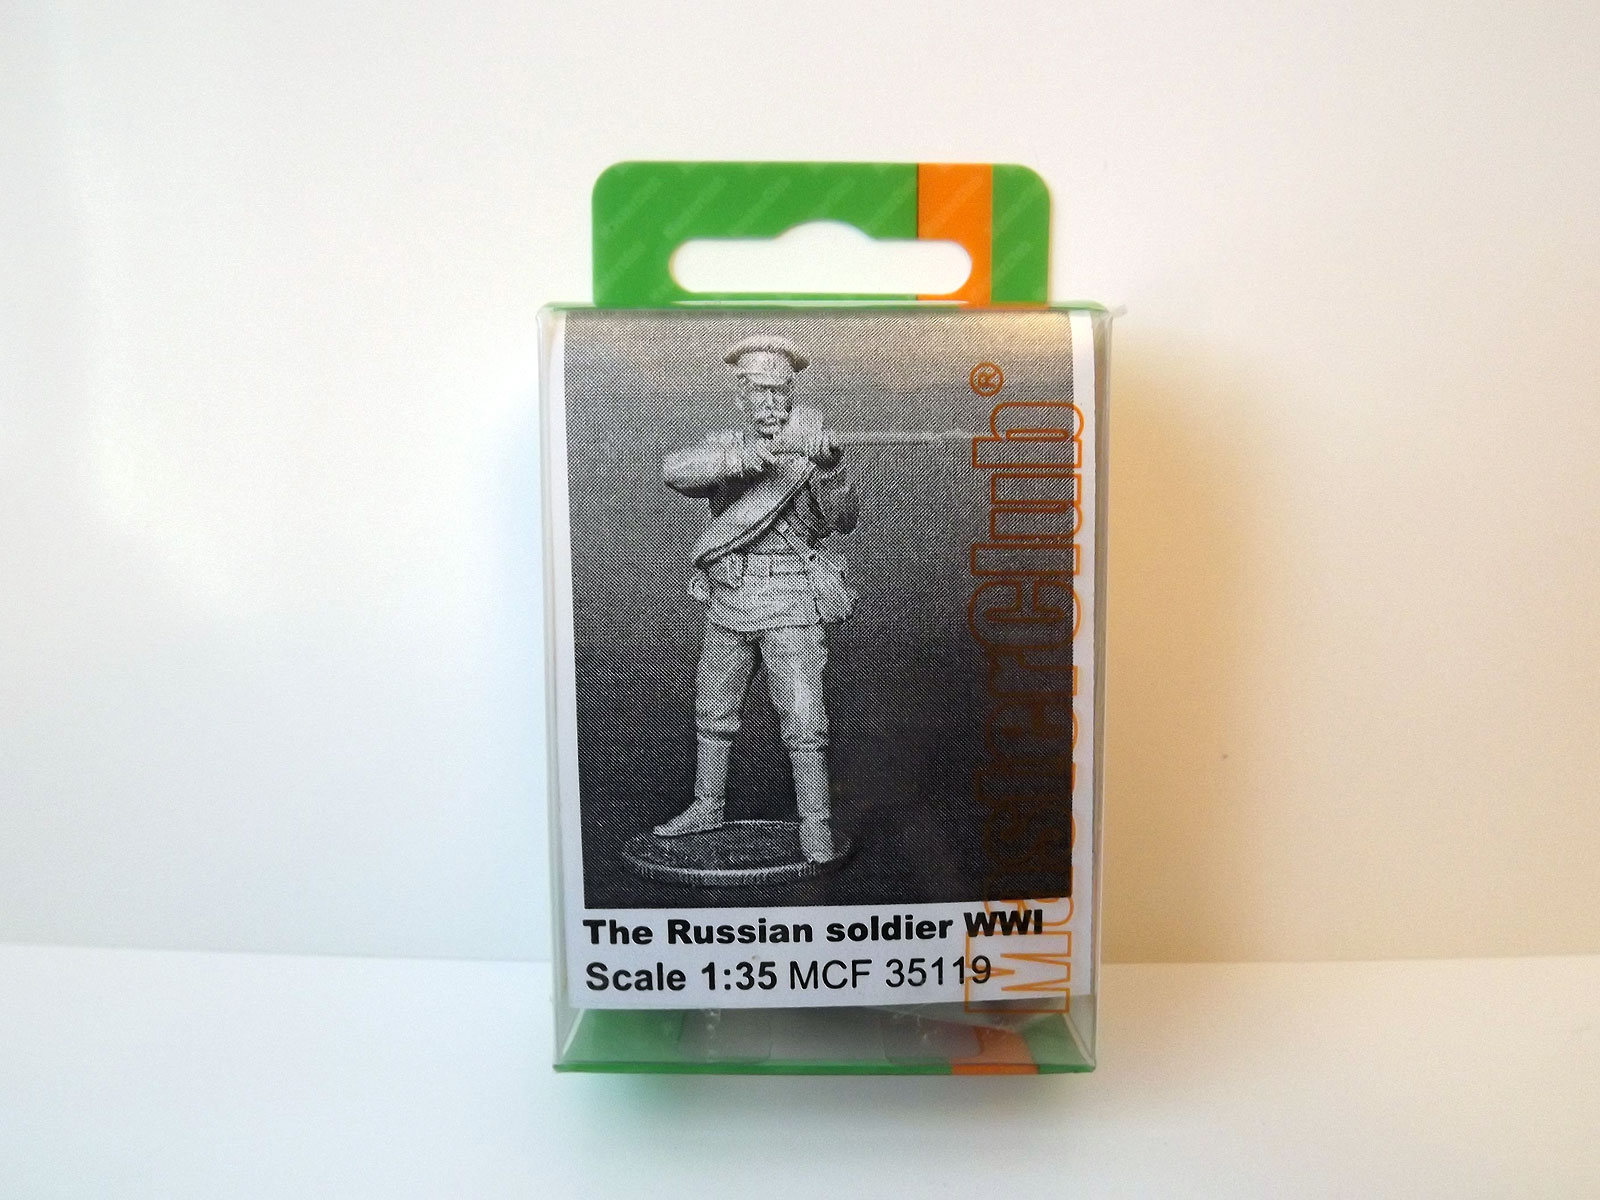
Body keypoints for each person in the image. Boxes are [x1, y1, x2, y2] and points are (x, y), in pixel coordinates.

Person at [654, 335, 858, 863]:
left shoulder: (812, 442)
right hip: (729, 590)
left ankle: (816, 827)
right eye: (756, 392)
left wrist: (830, 470)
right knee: (713, 710)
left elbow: (840, 522)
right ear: (741, 395)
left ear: (791, 392)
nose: (768, 403)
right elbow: (675, 470)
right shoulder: (727, 444)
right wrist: (743, 460)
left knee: (803, 719)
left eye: (777, 391)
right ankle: (707, 806)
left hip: (792, 592)